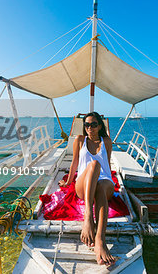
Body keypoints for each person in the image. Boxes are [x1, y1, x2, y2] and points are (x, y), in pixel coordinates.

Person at [58, 112, 116, 266]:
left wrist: (111, 179)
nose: (90, 127)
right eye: (87, 124)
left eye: (94, 124)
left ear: (100, 126)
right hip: (83, 184)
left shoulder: (107, 141)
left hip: (104, 182)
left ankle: (100, 240)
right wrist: (68, 181)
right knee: (94, 165)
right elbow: (74, 163)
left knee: (101, 183)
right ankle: (88, 217)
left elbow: (107, 165)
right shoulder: (79, 140)